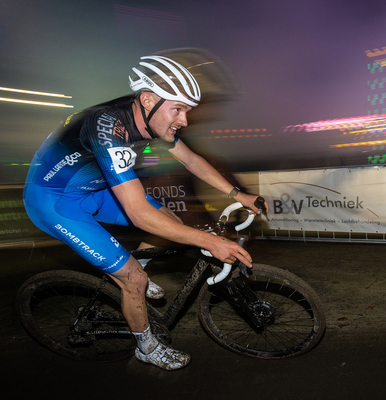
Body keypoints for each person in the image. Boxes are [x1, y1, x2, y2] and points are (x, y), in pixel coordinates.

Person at [23, 52, 269, 370]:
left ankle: (133, 267)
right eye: (178, 110)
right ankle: (146, 346)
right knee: (135, 280)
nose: (185, 120)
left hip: (94, 189)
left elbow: (190, 159)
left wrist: (238, 194)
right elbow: (138, 214)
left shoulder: (148, 117)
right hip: (55, 202)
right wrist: (209, 241)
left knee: (170, 220)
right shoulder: (108, 127)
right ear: (149, 99)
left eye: (187, 111)